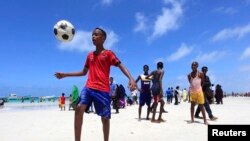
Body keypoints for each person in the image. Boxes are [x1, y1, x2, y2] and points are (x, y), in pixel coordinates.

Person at [55, 27, 137, 141]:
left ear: (103, 38)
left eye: (96, 34)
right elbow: (83, 72)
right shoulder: (90, 55)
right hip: (88, 87)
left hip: (103, 90)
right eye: (92, 35)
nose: (93, 36)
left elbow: (121, 65)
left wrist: (131, 78)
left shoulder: (108, 54)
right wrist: (65, 75)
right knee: (78, 109)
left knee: (105, 119)